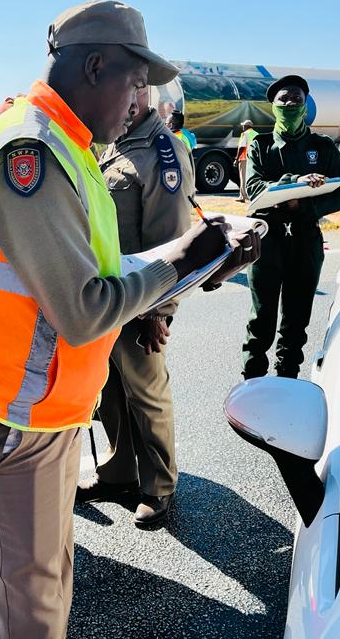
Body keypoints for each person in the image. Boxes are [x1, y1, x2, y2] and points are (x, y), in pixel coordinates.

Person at [0, 0, 259, 638]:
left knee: (37, 594)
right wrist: (187, 257)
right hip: (6, 424)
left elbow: (102, 267)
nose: (138, 101)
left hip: (27, 415)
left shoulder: (67, 144)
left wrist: (198, 261)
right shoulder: (33, 152)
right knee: (30, 615)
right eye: (135, 82)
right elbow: (83, 310)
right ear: (96, 67)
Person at [81, 81, 197, 526]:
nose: (130, 97)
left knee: (147, 394)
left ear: (149, 91)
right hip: (105, 295)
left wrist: (158, 313)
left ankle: (159, 486)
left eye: (138, 87)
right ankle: (118, 473)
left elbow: (174, 242)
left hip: (141, 301)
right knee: (108, 389)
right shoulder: (108, 139)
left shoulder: (163, 151)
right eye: (123, 85)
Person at [242, 74, 340, 379]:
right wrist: (294, 183)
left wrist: (306, 206)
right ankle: (252, 379)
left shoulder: (322, 146)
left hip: (306, 240)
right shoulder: (261, 146)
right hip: (267, 240)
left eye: (297, 99)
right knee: (261, 318)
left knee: (296, 319)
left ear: (305, 106)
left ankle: (287, 378)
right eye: (284, 99)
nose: (290, 104)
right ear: (273, 106)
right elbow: (253, 188)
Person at [234, 118, 257, 202]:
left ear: (247, 126)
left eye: (243, 125)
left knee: (243, 177)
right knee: (250, 177)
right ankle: (244, 195)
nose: (243, 127)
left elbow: (242, 147)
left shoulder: (245, 134)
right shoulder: (256, 133)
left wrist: (236, 159)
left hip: (244, 158)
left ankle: (244, 196)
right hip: (253, 159)